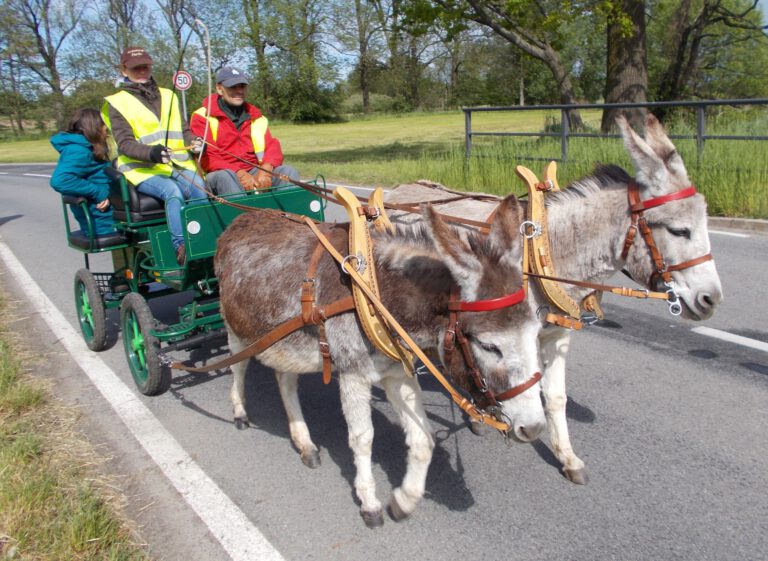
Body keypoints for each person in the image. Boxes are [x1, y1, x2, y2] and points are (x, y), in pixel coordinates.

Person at [102, 46, 206, 265]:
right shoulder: (117, 102)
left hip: (174, 165)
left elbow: (183, 130)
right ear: (124, 70)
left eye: (145, 67)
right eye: (135, 68)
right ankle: (181, 247)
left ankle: (204, 239)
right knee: (172, 192)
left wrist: (194, 142)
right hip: (141, 170)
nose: (141, 71)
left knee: (200, 187)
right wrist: (151, 153)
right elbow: (125, 144)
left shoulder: (169, 96)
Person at [190, 66, 299, 195]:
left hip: (254, 169)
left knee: (288, 172)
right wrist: (240, 173)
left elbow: (272, 146)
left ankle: (290, 208)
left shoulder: (256, 116)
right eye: (232, 87)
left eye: (242, 86)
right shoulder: (202, 116)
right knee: (225, 177)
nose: (239, 91)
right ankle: (245, 209)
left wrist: (266, 169)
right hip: (221, 173)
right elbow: (209, 157)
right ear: (219, 88)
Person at [50, 108, 117, 237]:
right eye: (103, 125)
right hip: (103, 222)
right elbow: (61, 180)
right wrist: (99, 193)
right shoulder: (78, 150)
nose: (106, 130)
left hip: (104, 217)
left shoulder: (83, 147)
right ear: (94, 127)